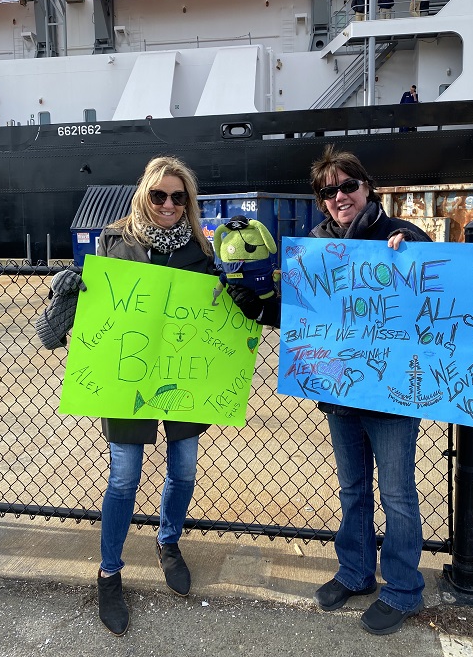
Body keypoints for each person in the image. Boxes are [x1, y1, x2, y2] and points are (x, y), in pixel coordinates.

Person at [228, 146, 431, 636]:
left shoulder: (401, 236)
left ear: (367, 187)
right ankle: (356, 572)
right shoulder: (316, 245)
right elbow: (302, 317)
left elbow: (438, 299)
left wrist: (416, 258)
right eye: (329, 190)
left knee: (398, 494)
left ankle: (403, 588)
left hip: (390, 396)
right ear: (321, 200)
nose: (340, 196)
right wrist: (257, 307)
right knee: (353, 489)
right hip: (340, 393)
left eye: (348, 186)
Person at [36, 155, 218, 636]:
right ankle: (109, 571)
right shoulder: (115, 242)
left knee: (183, 469)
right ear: (144, 194)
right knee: (123, 478)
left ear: (189, 202)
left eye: (178, 197)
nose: (168, 204)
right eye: (159, 194)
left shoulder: (201, 249)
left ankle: (168, 541)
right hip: (127, 376)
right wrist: (67, 292)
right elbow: (81, 312)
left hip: (182, 377)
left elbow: (216, 310)